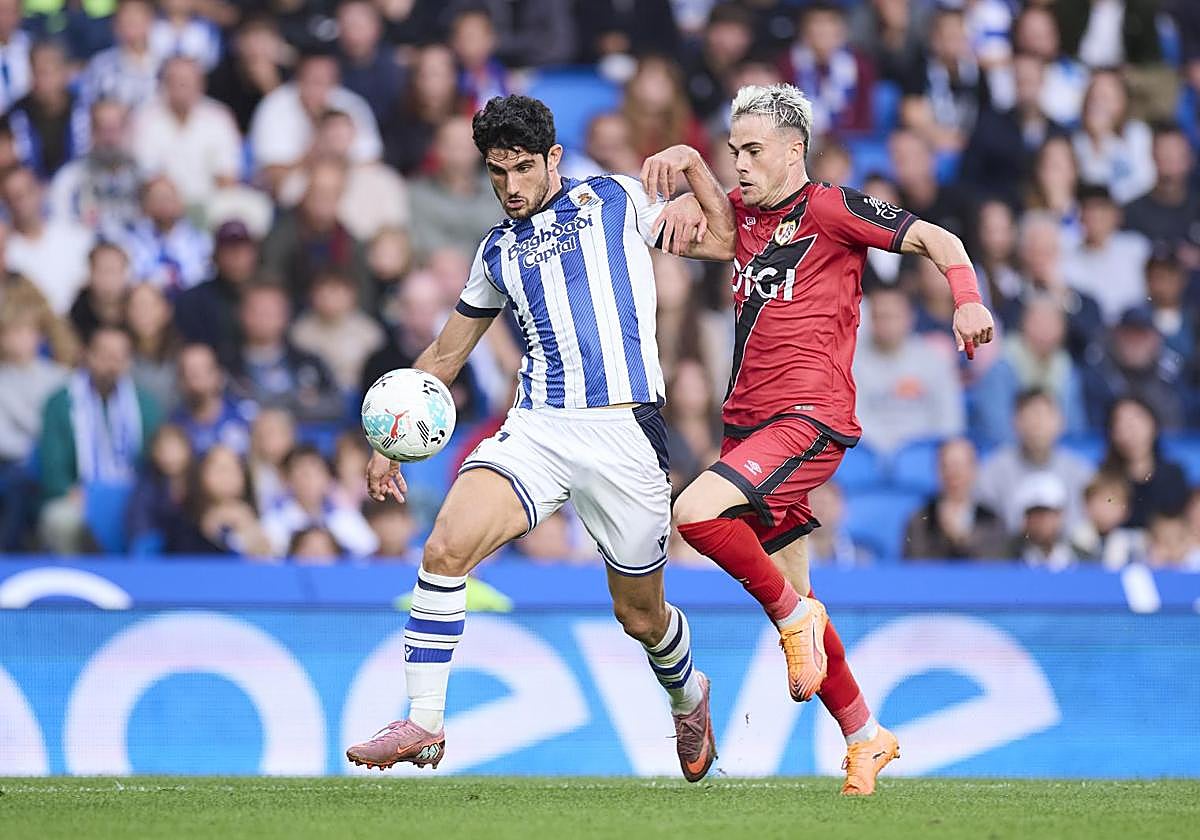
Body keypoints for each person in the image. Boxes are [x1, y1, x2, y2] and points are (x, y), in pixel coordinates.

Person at [346, 95, 717, 783]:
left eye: (523, 168)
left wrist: (697, 170)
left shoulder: (617, 200)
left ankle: (689, 696)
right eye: (496, 172)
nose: (511, 187)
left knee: (640, 616)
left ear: (553, 159)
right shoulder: (496, 251)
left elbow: (724, 243)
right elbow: (446, 355)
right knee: (445, 545)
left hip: (624, 430)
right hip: (539, 429)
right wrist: (389, 440)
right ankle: (424, 723)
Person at [641, 82, 994, 794]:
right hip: (747, 424)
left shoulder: (833, 209)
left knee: (694, 514)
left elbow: (937, 237)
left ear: (793, 151)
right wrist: (686, 180)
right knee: (798, 591)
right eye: (731, 150)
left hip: (809, 418)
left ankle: (794, 618)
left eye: (752, 151)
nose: (739, 163)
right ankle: (867, 736)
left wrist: (966, 298)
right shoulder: (740, 217)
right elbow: (680, 229)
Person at [37, 325, 161, 554]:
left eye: (119, 357)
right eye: (104, 355)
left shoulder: (144, 404)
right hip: (79, 494)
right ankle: (74, 583)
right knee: (61, 519)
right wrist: (67, 491)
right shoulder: (62, 402)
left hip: (134, 495)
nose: (111, 365)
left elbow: (154, 460)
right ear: (88, 355)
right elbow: (52, 463)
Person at [977, 388, 1094, 534]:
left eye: (1045, 415)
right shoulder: (993, 470)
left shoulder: (1080, 472)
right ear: (1016, 421)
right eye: (1030, 415)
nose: (1038, 424)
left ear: (1061, 422)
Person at [903, 438, 1007, 561]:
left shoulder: (991, 520)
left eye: (959, 466)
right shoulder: (921, 519)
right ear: (937, 471)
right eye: (946, 466)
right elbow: (915, 565)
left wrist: (961, 541)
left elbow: (995, 566)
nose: (953, 474)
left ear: (974, 469)